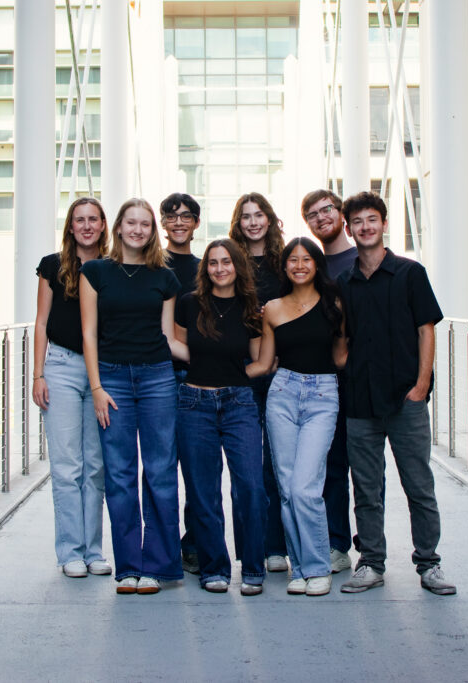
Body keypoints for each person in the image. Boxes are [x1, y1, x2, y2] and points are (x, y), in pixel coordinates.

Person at [336, 191, 456, 596]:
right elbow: (341, 339)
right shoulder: (344, 282)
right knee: (366, 488)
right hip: (360, 401)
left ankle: (429, 563)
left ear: (384, 223)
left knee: (418, 485)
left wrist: (422, 386)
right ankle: (371, 561)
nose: (365, 227)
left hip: (406, 399)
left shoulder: (410, 273)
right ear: (349, 229)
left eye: (372, 219)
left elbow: (427, 329)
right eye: (357, 221)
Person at [80, 198, 188, 595]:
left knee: (160, 471)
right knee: (120, 474)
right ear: (119, 227)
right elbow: (88, 333)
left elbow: (168, 337)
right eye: (132, 222)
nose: (138, 229)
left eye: (145, 224)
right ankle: (128, 566)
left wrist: (219, 363)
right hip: (112, 380)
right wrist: (96, 388)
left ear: (151, 230)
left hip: (159, 378)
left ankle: (159, 566)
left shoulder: (165, 277)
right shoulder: (95, 272)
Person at [251, 237, 347, 596]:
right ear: (285, 266)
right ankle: (300, 569)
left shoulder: (334, 303)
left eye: (307, 259)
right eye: (293, 259)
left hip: (323, 394)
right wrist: (215, 374)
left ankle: (318, 566)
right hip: (282, 394)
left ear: (316, 264)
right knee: (288, 489)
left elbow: (340, 358)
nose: (300, 265)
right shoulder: (273, 309)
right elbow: (264, 363)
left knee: (306, 487)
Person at [174, 239, 267, 596]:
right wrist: (202, 364)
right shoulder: (189, 303)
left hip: (239, 403)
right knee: (202, 491)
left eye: (226, 262)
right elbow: (181, 347)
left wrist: (236, 378)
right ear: (205, 269)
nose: (219, 268)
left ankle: (254, 569)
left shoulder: (251, 309)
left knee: (251, 488)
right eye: (212, 263)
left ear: (237, 265)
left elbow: (259, 360)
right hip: (193, 401)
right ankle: (214, 568)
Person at [32, 197, 112, 579]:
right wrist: (37, 374)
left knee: (95, 466)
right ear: (70, 226)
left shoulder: (112, 267)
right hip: (62, 368)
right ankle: (70, 552)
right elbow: (41, 322)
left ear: (102, 225)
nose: (86, 226)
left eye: (92, 219)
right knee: (67, 467)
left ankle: (94, 550)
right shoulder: (53, 266)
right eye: (79, 220)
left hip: (102, 374)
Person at [228, 192, 289, 573]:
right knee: (246, 466)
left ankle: (277, 547)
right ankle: (251, 546)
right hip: (243, 371)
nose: (253, 222)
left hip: (283, 369)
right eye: (246, 216)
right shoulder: (228, 262)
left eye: (259, 215)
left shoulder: (286, 263)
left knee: (278, 463)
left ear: (269, 219)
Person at [301, 189, 357, 575]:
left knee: (368, 473)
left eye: (327, 210)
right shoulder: (313, 265)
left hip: (360, 381)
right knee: (331, 468)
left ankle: (370, 548)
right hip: (323, 382)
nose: (321, 218)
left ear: (341, 214)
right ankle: (337, 544)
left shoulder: (361, 258)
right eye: (312, 214)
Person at [159, 192, 203, 575]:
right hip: (157, 376)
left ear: (196, 223)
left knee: (195, 469)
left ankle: (191, 546)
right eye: (171, 216)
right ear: (162, 223)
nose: (178, 222)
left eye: (186, 216)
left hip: (198, 377)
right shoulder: (150, 264)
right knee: (159, 468)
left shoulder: (208, 268)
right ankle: (162, 547)